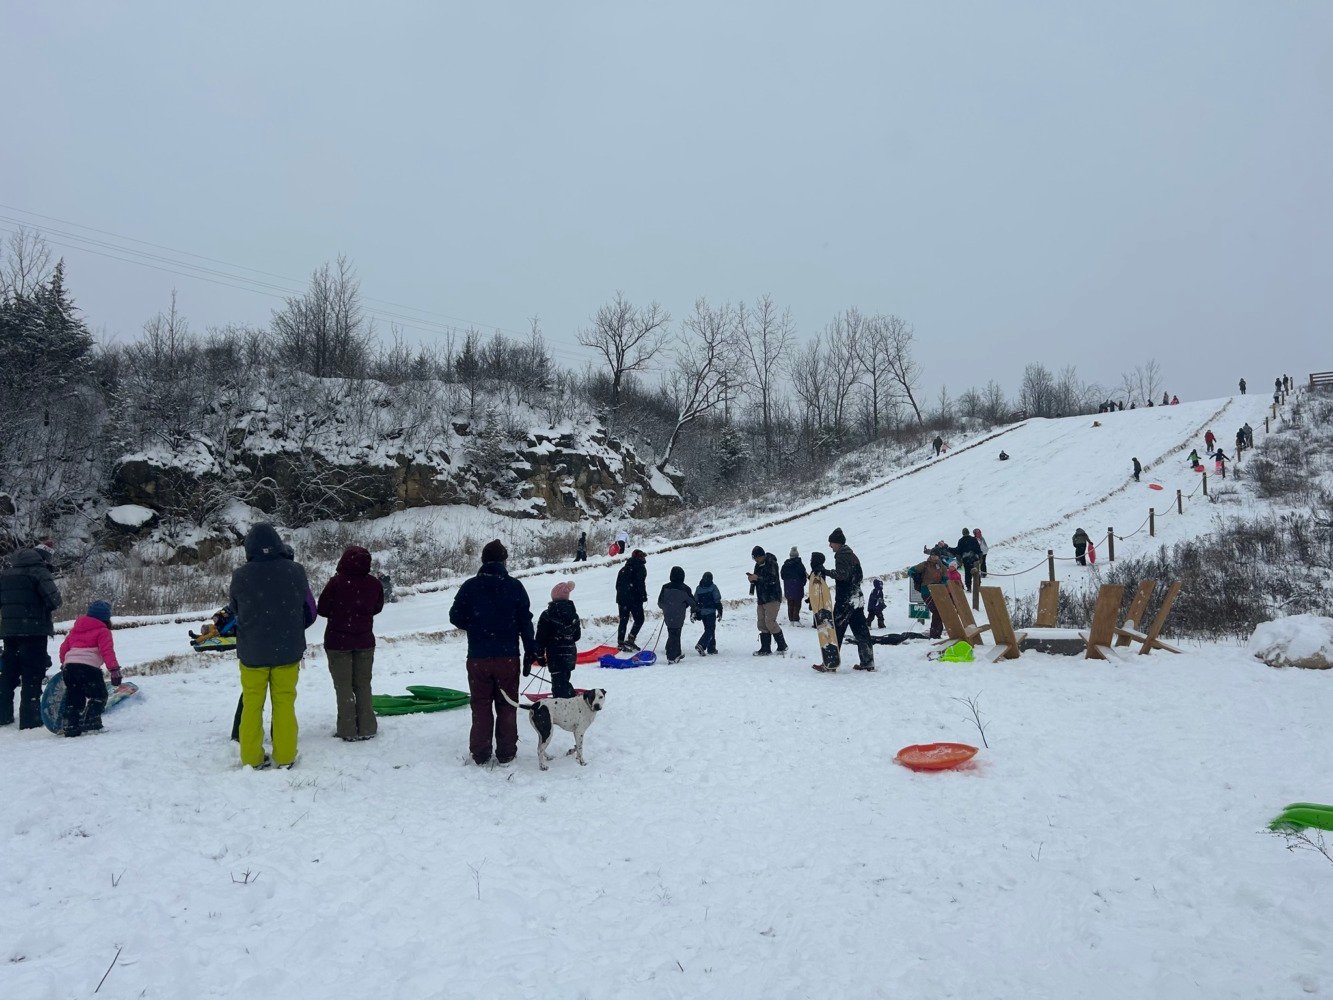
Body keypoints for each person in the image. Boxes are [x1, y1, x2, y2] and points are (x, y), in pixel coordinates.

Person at [230, 524, 316, 769]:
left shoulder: (241, 575)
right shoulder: (296, 571)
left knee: (252, 705)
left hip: (252, 652)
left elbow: (236, 608)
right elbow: (307, 610)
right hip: (288, 651)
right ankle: (286, 756)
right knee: (284, 704)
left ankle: (251, 758)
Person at [449, 539, 536, 766]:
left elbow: (455, 616)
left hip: (478, 656)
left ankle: (480, 753)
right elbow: (526, 622)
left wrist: (476, 625)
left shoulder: (470, 586)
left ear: (483, 561)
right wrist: (530, 651)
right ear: (504, 561)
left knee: (481, 704)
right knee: (507, 704)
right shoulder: (514, 586)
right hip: (508, 657)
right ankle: (506, 752)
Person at [317, 545, 385, 742]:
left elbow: (322, 609)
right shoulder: (374, 584)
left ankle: (347, 729)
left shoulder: (336, 583)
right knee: (363, 684)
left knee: (343, 686)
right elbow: (377, 607)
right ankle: (367, 726)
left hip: (338, 642)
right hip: (364, 640)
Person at [0, 546, 63, 729]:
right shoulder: (39, 573)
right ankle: (30, 718)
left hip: (9, 633)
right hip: (34, 631)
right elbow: (55, 601)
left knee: (8, 674)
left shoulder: (4, 575)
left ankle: (3, 715)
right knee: (32, 674)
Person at [56, 600, 122, 737]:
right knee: (99, 695)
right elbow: (107, 651)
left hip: (70, 667)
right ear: (106, 618)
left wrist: (64, 664)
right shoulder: (103, 631)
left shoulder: (75, 631)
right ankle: (91, 723)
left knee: (74, 696)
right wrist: (114, 670)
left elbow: (63, 649)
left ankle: (71, 726)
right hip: (89, 668)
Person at [827, 528, 874, 670]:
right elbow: (857, 575)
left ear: (838, 543)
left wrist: (826, 572)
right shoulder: (851, 554)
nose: (830, 546)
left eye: (831, 543)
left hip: (846, 598)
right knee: (861, 631)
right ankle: (867, 662)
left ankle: (830, 662)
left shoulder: (842, 555)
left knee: (836, 630)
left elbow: (842, 575)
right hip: (857, 596)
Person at [533, 581, 580, 697]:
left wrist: (539, 655)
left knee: (558, 682)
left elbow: (540, 638)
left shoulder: (547, 615)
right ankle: (567, 698)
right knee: (564, 678)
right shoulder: (573, 614)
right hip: (569, 654)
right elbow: (577, 636)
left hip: (555, 655)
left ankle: (562, 704)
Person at [746, 546, 787, 656]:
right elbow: (757, 579)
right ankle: (765, 648)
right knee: (762, 623)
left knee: (770, 622)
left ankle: (782, 645)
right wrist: (752, 580)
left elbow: (772, 580)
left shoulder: (772, 563)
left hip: (772, 597)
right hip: (762, 598)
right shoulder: (758, 565)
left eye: (756, 558)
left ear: (761, 556)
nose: (755, 560)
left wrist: (757, 578)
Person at [657, 566, 697, 664]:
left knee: (672, 632)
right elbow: (692, 602)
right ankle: (671, 657)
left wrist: (666, 608)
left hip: (668, 613)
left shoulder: (665, 587)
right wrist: (689, 607)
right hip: (679, 614)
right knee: (675, 633)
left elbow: (660, 602)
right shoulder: (685, 588)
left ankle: (676, 652)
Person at [907, 552, 947, 640]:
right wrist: (914, 575)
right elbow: (910, 571)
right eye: (932, 555)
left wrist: (943, 583)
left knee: (939, 612)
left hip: (938, 591)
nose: (934, 557)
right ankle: (934, 634)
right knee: (937, 611)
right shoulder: (925, 564)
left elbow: (946, 577)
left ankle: (936, 633)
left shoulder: (941, 566)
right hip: (926, 591)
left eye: (936, 555)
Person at [614, 549, 648, 652]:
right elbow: (640, 584)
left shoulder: (623, 569)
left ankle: (620, 642)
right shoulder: (641, 568)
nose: (644, 558)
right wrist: (643, 596)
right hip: (635, 599)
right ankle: (631, 638)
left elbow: (617, 585)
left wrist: (623, 594)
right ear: (640, 557)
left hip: (622, 599)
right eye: (643, 556)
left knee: (623, 620)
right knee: (639, 619)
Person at [693, 572, 722, 655]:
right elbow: (717, 600)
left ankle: (711, 648)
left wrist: (695, 611)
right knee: (710, 629)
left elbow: (695, 600)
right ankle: (701, 644)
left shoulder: (698, 588)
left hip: (702, 612)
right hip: (711, 612)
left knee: (708, 629)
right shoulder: (713, 587)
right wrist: (720, 611)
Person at [780, 547, 807, 624]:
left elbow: (782, 576)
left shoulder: (785, 564)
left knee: (790, 603)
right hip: (798, 586)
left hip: (788, 586)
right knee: (797, 603)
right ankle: (796, 619)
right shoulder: (799, 564)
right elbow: (803, 575)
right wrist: (803, 583)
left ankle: (791, 619)